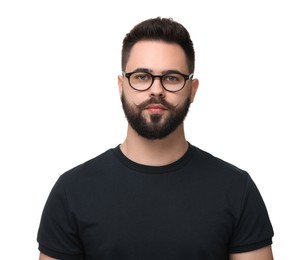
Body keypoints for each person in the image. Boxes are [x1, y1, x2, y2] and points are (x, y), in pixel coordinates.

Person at [37, 17, 274, 260]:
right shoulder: (72, 192)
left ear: (192, 90)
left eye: (172, 78)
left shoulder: (236, 189)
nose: (156, 90)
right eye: (141, 76)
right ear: (121, 86)